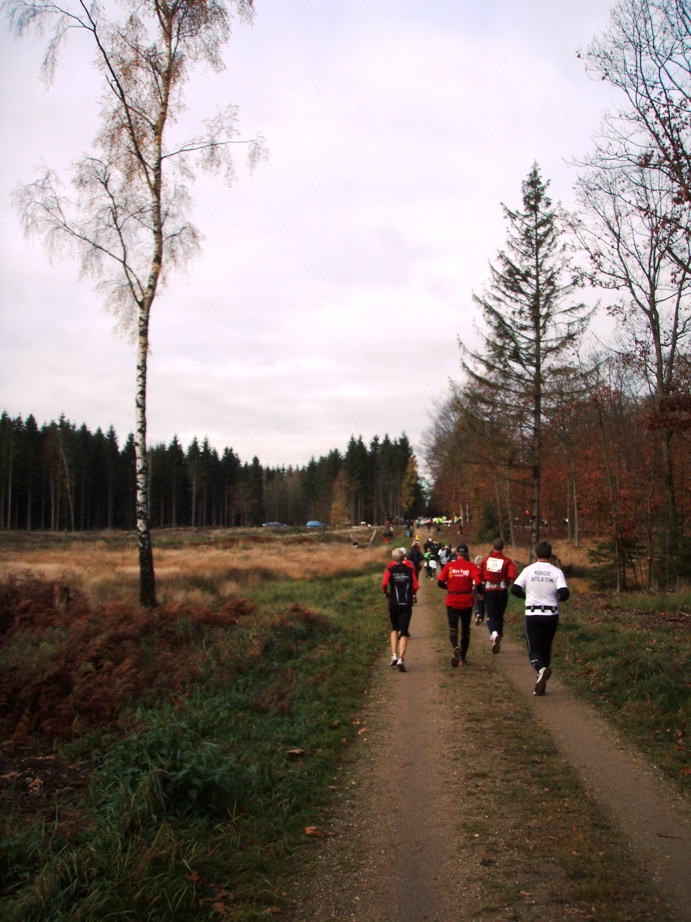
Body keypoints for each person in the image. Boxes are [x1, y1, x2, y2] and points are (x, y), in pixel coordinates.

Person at [511, 540, 570, 696]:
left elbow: (515, 589)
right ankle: (541, 683)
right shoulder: (557, 572)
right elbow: (565, 594)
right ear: (550, 555)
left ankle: (541, 670)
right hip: (551, 614)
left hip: (533, 613)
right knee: (546, 647)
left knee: (533, 649)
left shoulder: (528, 570)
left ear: (535, 554)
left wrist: (527, 596)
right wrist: (557, 597)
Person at [437, 544, 482, 667]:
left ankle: (455, 646)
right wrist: (480, 593)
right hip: (467, 600)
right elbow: (478, 582)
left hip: (452, 600)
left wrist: (449, 588)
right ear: (467, 554)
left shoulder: (449, 566)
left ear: (456, 554)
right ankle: (462, 658)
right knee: (465, 630)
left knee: (453, 629)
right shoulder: (471, 566)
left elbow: (440, 582)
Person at [382, 547, 419, 672]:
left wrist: (385, 592)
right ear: (404, 558)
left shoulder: (390, 569)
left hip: (393, 602)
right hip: (406, 602)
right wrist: (411, 592)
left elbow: (384, 583)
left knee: (394, 628)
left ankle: (393, 655)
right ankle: (401, 659)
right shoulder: (409, 570)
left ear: (393, 559)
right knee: (403, 632)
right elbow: (417, 585)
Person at [479, 538, 518, 654]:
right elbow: (512, 575)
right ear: (503, 547)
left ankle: (494, 633)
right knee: (500, 614)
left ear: (492, 547)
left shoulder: (486, 561)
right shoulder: (507, 561)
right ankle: (499, 634)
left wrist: (481, 588)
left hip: (489, 589)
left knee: (491, 613)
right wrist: (510, 583)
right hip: (501, 590)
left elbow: (480, 575)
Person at [473, 555, 485, 624]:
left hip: (476, 585)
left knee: (476, 600)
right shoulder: (484, 569)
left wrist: (473, 585)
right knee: (483, 601)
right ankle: (482, 616)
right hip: (484, 585)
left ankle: (477, 613)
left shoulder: (474, 568)